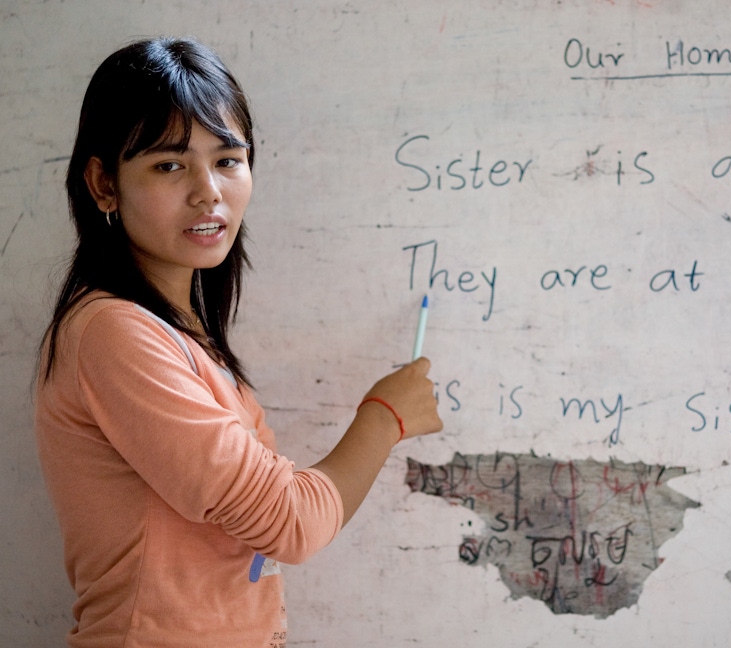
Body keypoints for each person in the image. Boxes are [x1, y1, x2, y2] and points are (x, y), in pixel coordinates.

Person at [33, 37, 443, 647]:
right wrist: (384, 417)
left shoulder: (175, 330)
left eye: (228, 159)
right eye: (169, 165)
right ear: (104, 184)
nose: (209, 192)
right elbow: (291, 522)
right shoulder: (114, 334)